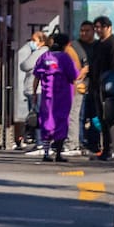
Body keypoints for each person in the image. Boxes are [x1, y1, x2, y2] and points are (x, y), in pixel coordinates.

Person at [38, 29, 79, 161]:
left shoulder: (45, 56)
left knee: (46, 121)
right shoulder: (65, 58)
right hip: (63, 96)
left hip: (47, 95)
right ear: (66, 45)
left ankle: (46, 152)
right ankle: (58, 154)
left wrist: (34, 93)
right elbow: (74, 75)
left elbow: (36, 75)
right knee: (62, 121)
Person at [83, 16, 114, 159]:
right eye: (96, 27)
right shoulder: (98, 45)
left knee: (111, 118)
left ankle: (113, 149)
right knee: (102, 119)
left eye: (100, 27)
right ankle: (105, 149)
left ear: (108, 28)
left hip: (110, 88)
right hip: (96, 87)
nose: (98, 30)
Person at [13, 27, 47, 149]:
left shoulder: (39, 53)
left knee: (36, 116)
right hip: (37, 88)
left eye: (34, 40)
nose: (31, 43)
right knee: (37, 115)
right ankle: (40, 141)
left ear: (42, 42)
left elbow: (24, 65)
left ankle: (39, 142)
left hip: (36, 89)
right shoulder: (42, 52)